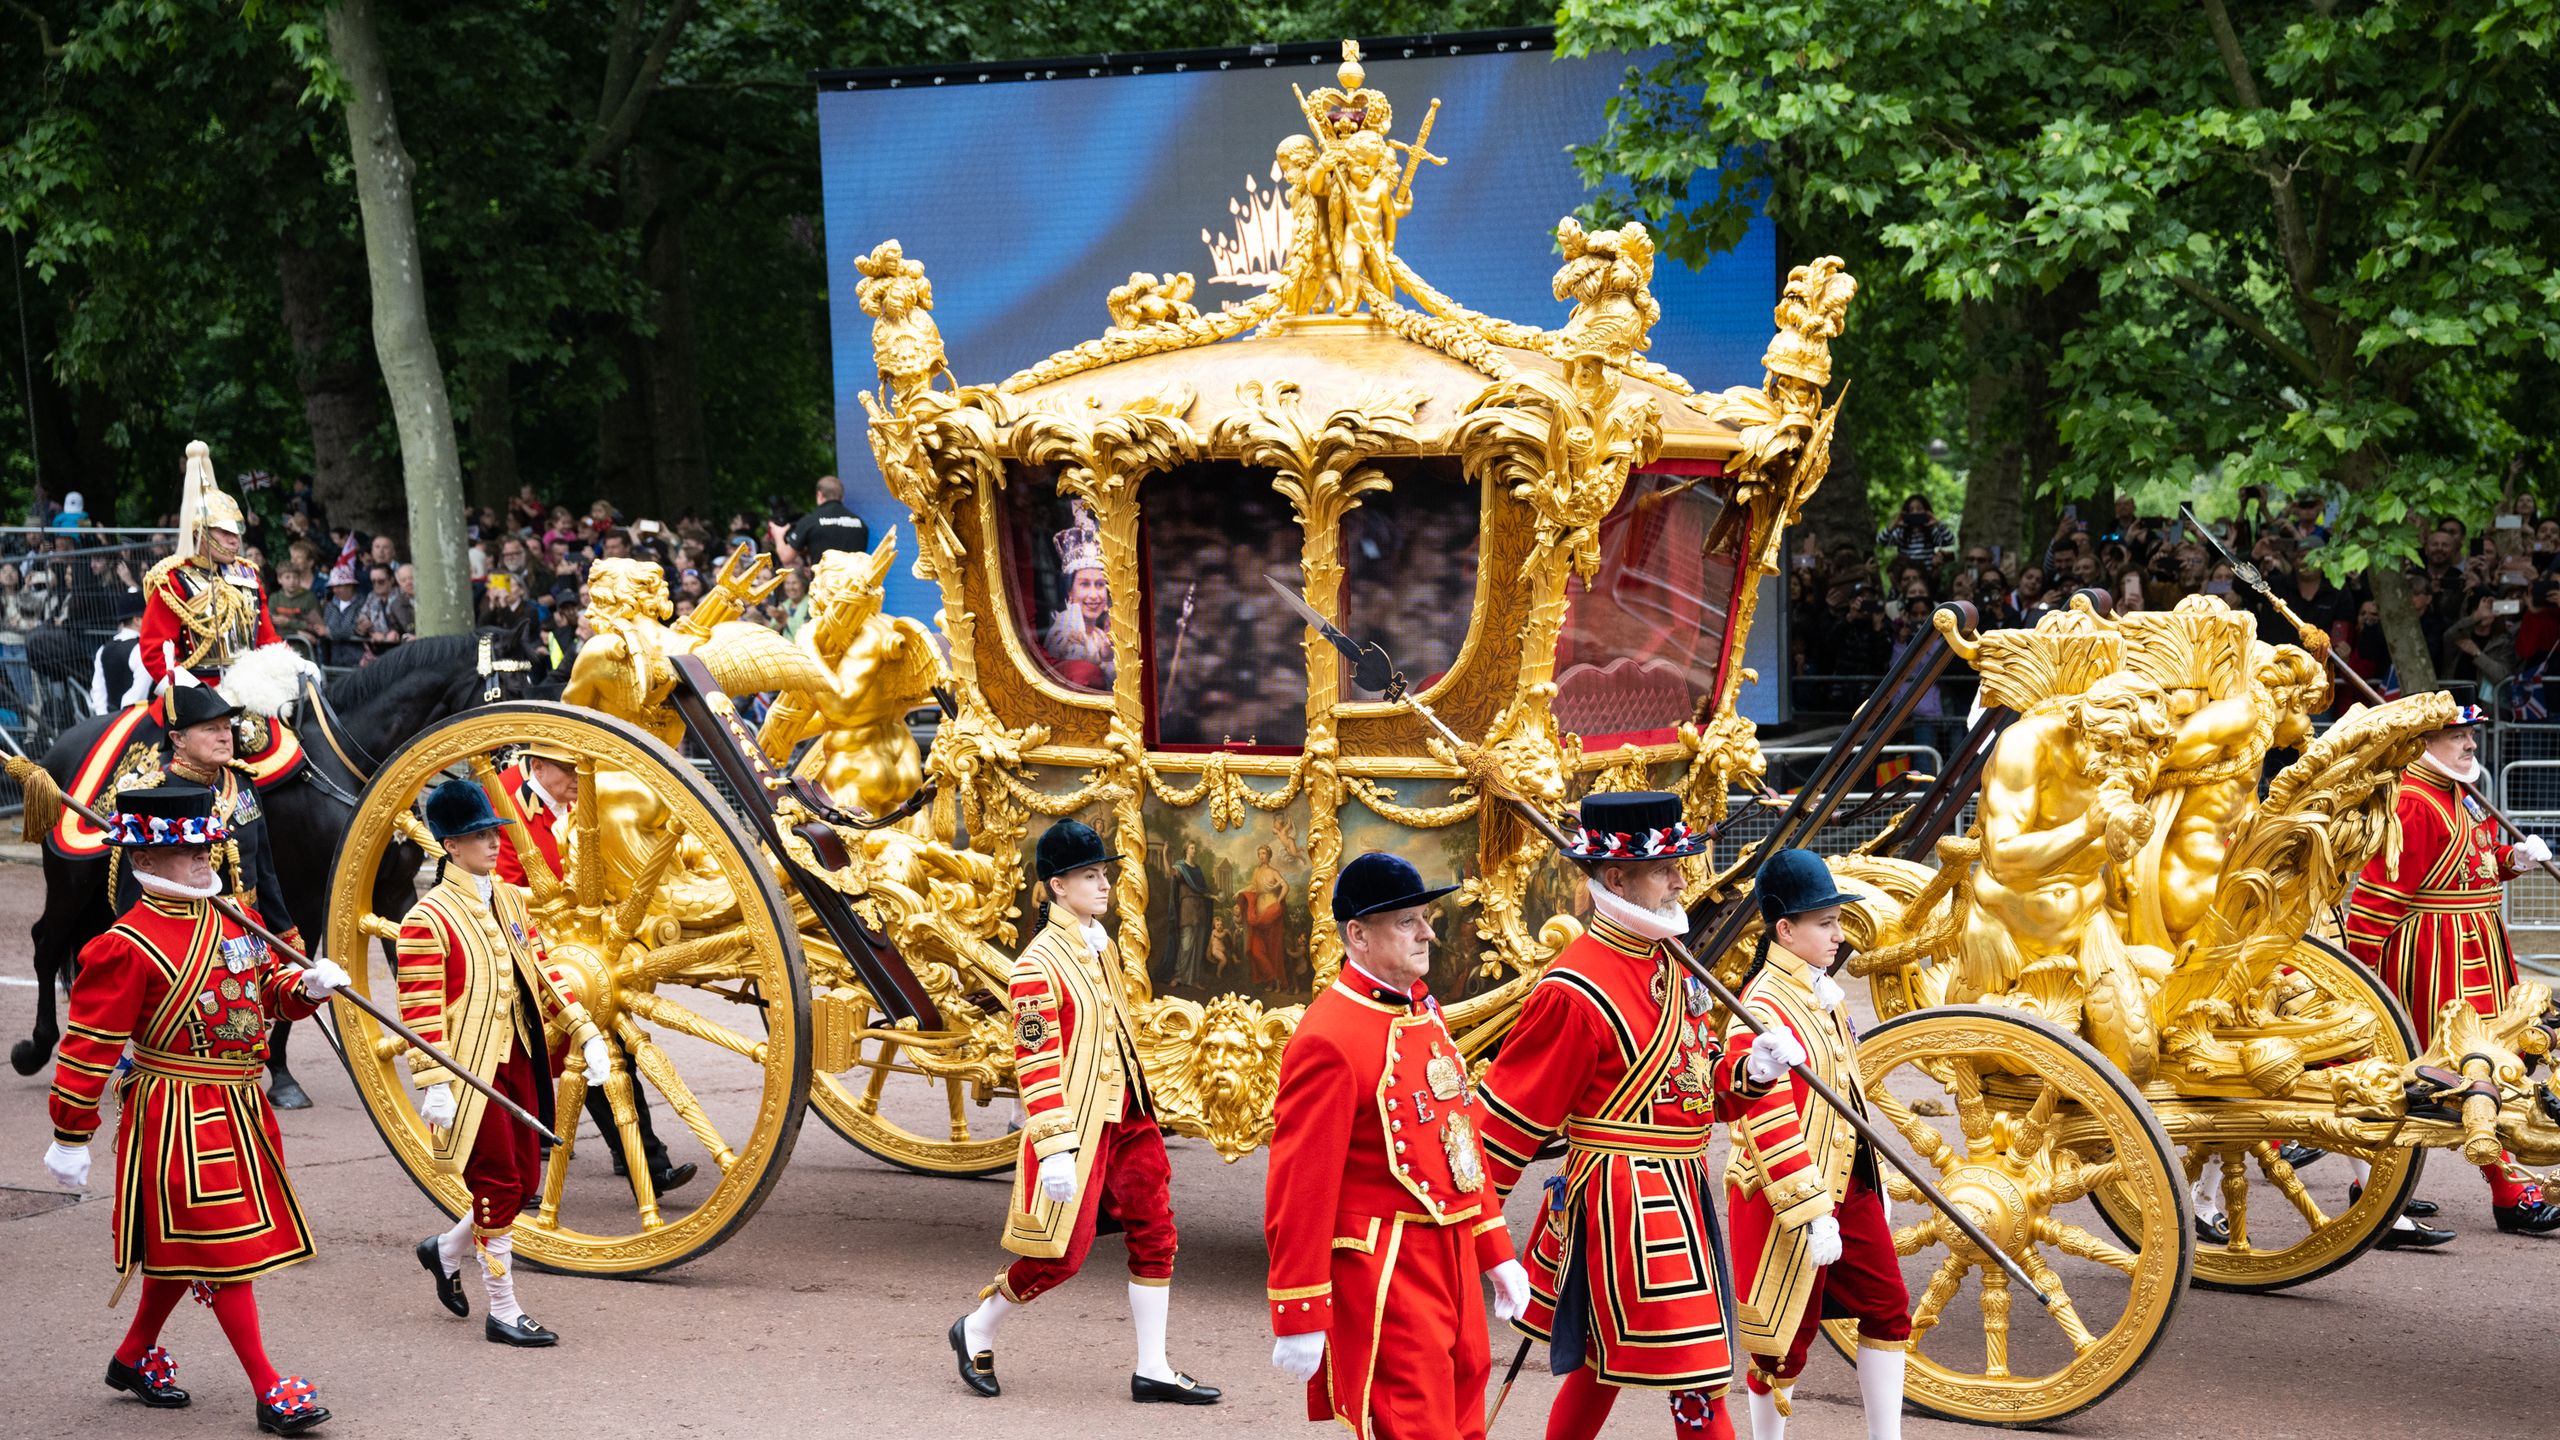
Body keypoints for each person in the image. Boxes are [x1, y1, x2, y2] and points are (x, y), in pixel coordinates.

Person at [41, 784, 340, 1433]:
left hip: (239, 1106)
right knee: (223, 1250)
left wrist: (305, 987)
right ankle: (269, 1387)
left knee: (186, 1248)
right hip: (174, 1115)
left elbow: (263, 994)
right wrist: (70, 1133)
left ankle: (131, 1355)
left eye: (206, 844)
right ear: (147, 862)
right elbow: (89, 1048)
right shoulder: (123, 944)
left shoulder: (231, 919)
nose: (205, 856)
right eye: (188, 850)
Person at [1475, 791, 1738, 1440]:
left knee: (1600, 1364)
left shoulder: (1676, 965)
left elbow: (1699, 1096)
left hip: (1681, 1191)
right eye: (1665, 867)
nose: (1682, 878)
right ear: (1616, 878)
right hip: (1626, 1202)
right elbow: (1504, 1124)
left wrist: (1751, 1074)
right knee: (1698, 1372)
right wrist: (1479, 1242)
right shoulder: (1573, 988)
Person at [948, 820, 1218, 1404]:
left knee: (1157, 1230)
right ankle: (977, 1327)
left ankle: (1154, 1367)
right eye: (1090, 876)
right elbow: (1037, 1064)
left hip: (1129, 1115)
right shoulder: (1035, 967)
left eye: (1104, 875)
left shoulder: (1103, 946)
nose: (1104, 886)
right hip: (1078, 1126)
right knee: (1062, 1256)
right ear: (1056, 887)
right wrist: (1053, 1149)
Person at [1264, 851, 1527, 1439]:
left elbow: (1459, 1144)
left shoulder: (1422, 1012)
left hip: (1452, 1251)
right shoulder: (1328, 1036)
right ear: (1357, 934)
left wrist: (1494, 1250)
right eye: (1408, 920)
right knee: (1416, 1423)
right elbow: (1300, 1188)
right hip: (1384, 1264)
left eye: (1425, 917)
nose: (1427, 932)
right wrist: (1299, 1310)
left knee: (1466, 1410)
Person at [399, 778, 615, 1345]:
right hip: (468, 1070)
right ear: (451, 845)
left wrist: (585, 1031)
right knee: (496, 1184)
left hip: (519, 1059)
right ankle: (503, 1308)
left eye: (493, 832)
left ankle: (444, 1250)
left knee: (520, 1185)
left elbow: (542, 973)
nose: (493, 844)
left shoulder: (513, 900)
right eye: (478, 836)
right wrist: (434, 1082)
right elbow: (421, 1012)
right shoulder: (427, 917)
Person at [2343, 703, 2560, 1236]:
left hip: (2477, 947)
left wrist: (2514, 860)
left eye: (2470, 735)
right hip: (2436, 958)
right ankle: (2507, 1189)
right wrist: (2357, 978)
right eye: (2456, 736)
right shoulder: (2414, 803)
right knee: (2469, 1070)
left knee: (2496, 1061)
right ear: (2425, 743)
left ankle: (2381, 1183)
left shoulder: (2457, 795)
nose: (2469, 745)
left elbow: (2471, 867)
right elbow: (2378, 898)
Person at [1715, 850, 1910, 1437]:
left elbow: (1849, 1095)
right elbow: (1764, 1117)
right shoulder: (1760, 1006)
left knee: (1888, 1310)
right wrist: (1809, 1209)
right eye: (1825, 923)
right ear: (1785, 930)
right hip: (1785, 1196)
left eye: (1836, 921)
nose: (1838, 933)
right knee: (1783, 1341)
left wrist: (1873, 1180)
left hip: (1848, 1183)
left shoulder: (1822, 992)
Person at [487, 740, 694, 1198]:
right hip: (532, 957)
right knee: (585, 1054)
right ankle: (638, 1162)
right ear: (537, 767)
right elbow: (501, 888)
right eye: (567, 775)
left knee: (607, 1054)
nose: (577, 786)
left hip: (583, 948)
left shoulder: (575, 801)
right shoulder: (501, 800)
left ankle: (641, 1158)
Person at [136, 445, 284, 689]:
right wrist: (193, 694)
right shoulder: (172, 580)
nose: (234, 539)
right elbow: (156, 653)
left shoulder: (248, 576)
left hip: (252, 688)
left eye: (236, 531)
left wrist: (290, 663)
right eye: (225, 532)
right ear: (200, 532)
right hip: (196, 692)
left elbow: (267, 639)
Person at [1040, 499, 1114, 683]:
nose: (1094, 595)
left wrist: (1106, 654)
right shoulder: (1062, 634)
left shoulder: (1100, 636)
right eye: (1084, 584)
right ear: (1070, 593)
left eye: (1099, 584)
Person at [775, 474, 872, 567]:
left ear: (819, 495)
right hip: (853, 582)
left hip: (824, 582)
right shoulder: (860, 524)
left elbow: (786, 556)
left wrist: (778, 535)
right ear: (842, 497)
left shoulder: (810, 521)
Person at [89, 587, 149, 714]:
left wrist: (105, 719)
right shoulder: (142, 649)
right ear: (137, 620)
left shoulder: (104, 648)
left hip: (110, 721)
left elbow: (98, 691)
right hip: (137, 722)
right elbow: (139, 694)